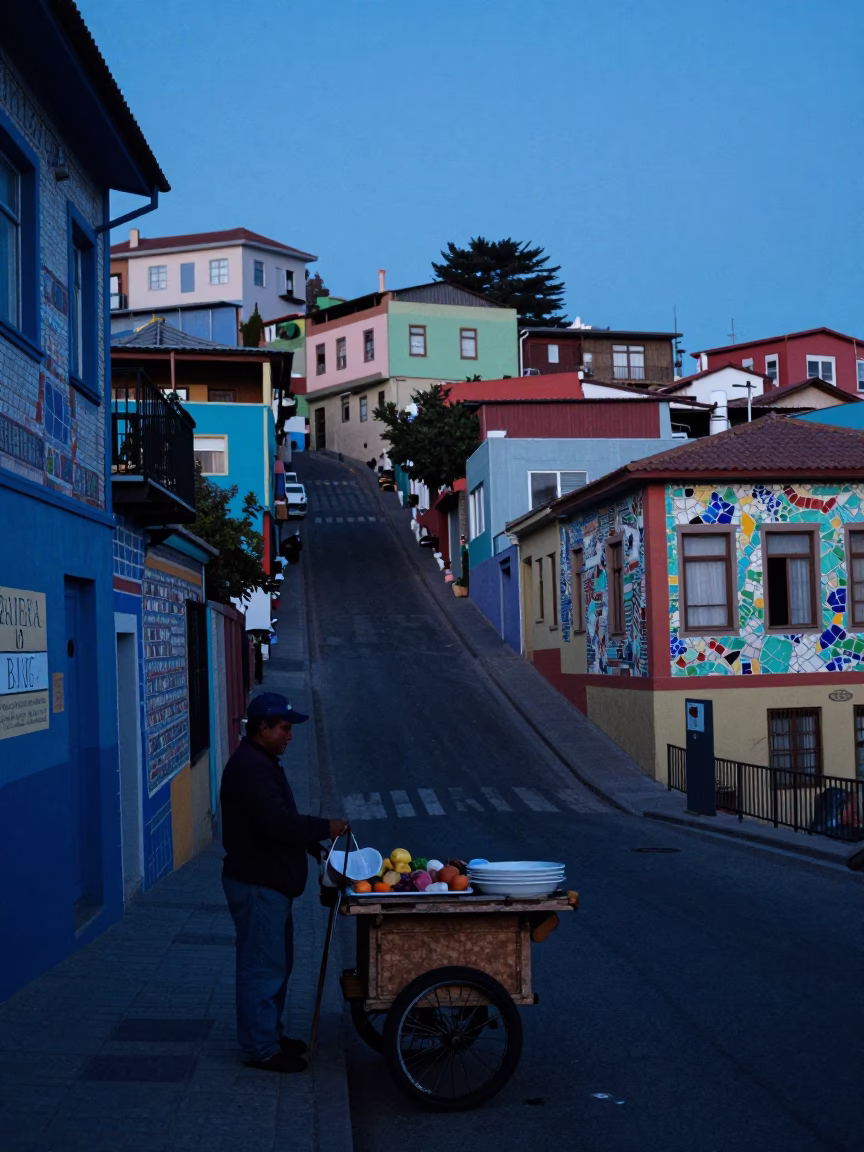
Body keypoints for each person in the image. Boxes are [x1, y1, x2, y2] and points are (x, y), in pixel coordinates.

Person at [220, 692, 349, 1074]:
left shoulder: (263, 762)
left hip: (272, 883)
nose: (290, 736)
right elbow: (278, 823)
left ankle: (270, 1036)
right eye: (285, 728)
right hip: (258, 884)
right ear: (264, 728)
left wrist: (316, 847)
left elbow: (280, 819)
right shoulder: (251, 768)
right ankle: (260, 1048)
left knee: (276, 964)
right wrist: (327, 827)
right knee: (262, 967)